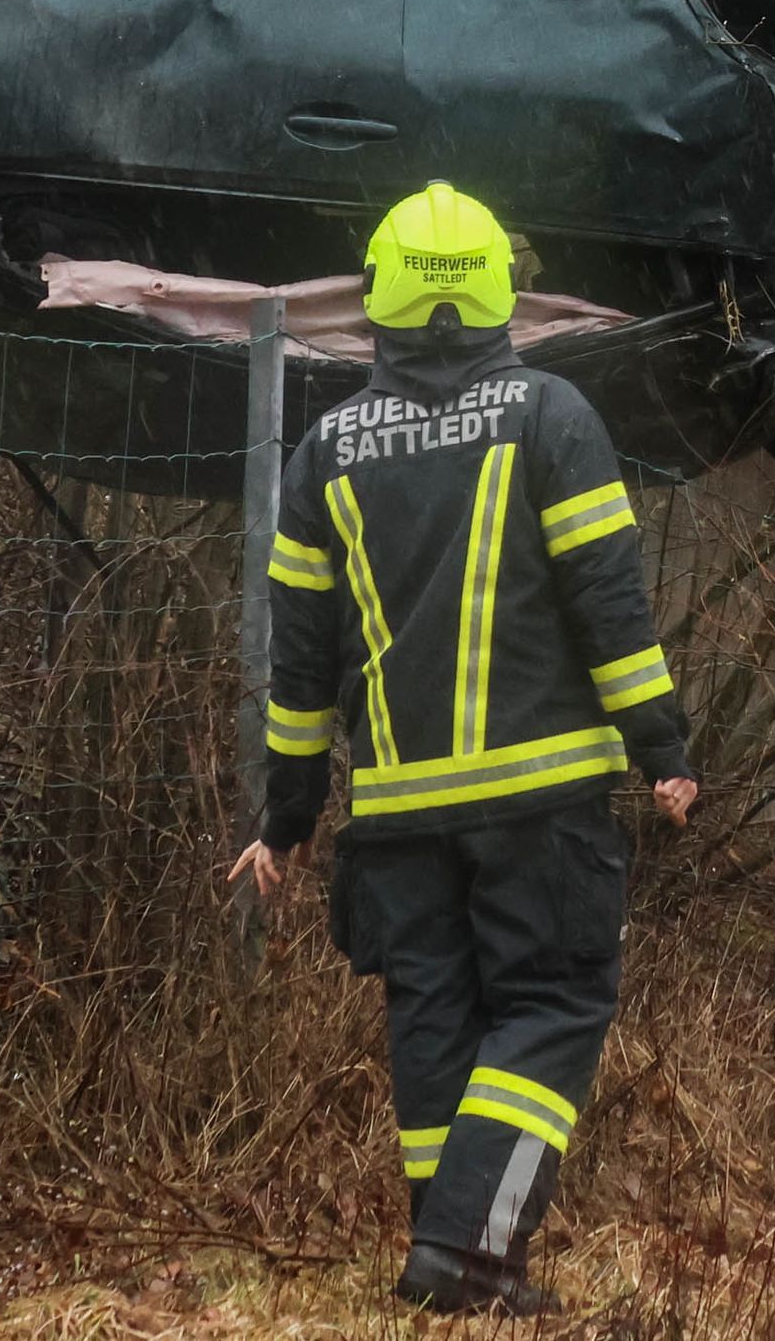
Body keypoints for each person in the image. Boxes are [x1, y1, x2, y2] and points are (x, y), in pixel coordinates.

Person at [225, 182, 698, 1318]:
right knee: (554, 1005)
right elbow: (608, 609)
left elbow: (298, 668)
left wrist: (286, 818)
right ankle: (467, 1252)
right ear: (502, 291)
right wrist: (661, 747)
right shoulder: (553, 416)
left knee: (434, 1018)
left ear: (378, 297)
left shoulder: (325, 451)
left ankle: (457, 1256)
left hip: (397, 816)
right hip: (542, 803)